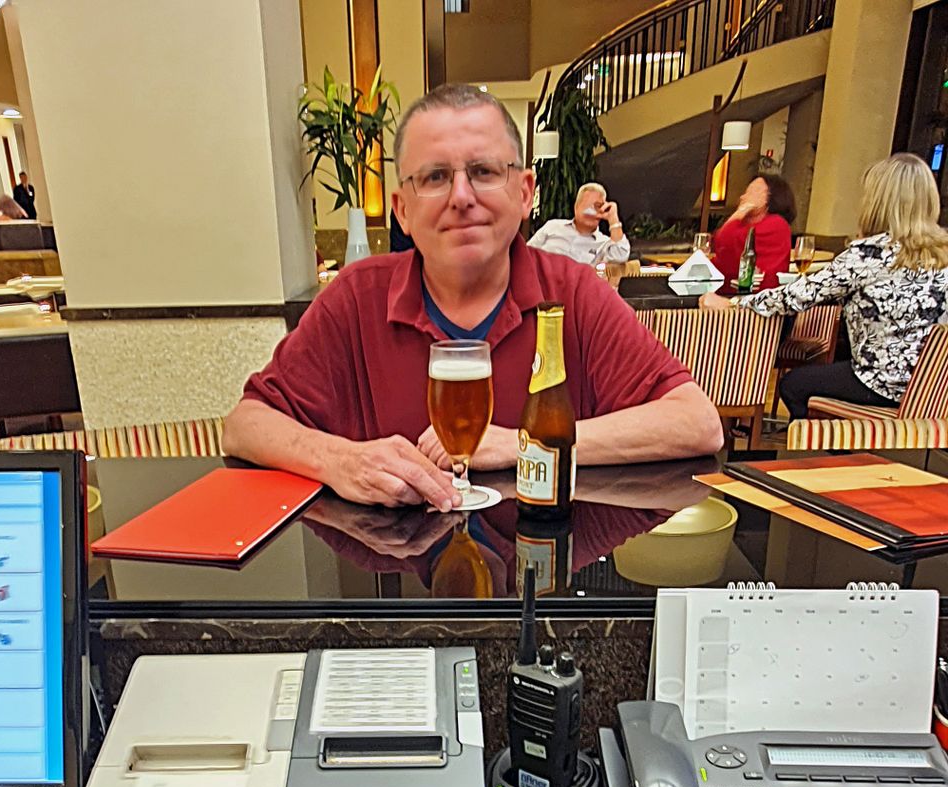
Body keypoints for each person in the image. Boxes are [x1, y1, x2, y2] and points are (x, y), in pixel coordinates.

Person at [223, 84, 722, 510]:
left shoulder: (573, 292)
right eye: (435, 177)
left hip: (542, 591)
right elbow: (244, 426)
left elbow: (697, 424)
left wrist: (518, 445)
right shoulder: (356, 297)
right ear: (401, 209)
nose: (462, 197)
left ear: (525, 193)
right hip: (397, 603)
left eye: (484, 172)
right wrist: (339, 460)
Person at [701, 153, 948, 420]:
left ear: (878, 202)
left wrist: (734, 302)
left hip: (879, 382)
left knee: (794, 385)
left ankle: (818, 455)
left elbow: (797, 297)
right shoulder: (942, 255)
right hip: (929, 387)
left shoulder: (870, 255)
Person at [711, 173, 795, 290]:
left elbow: (724, 240)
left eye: (753, 192)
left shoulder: (777, 224)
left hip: (754, 299)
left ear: (769, 198)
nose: (743, 197)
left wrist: (743, 209)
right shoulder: (742, 224)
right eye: (746, 192)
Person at [527, 182, 630, 266]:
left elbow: (621, 255)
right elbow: (526, 254)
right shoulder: (552, 226)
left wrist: (613, 219)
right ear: (576, 207)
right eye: (587, 206)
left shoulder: (603, 244)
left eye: (598, 206)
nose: (592, 211)